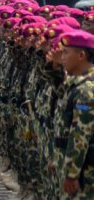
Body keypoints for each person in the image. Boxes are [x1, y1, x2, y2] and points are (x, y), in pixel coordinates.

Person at [49, 29, 94, 198]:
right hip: (74, 165)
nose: (62, 57)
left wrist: (72, 173)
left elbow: (80, 135)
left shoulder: (86, 90)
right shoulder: (75, 84)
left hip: (85, 171)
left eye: (66, 53)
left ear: (81, 55)